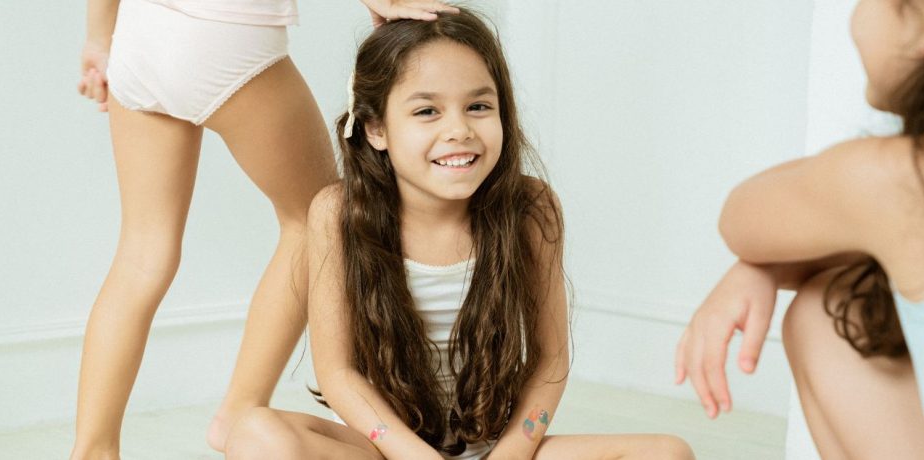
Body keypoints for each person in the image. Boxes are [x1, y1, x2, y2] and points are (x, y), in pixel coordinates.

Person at [221, 9, 695, 459]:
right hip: (389, 450)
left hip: (495, 446)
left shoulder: (531, 208)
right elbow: (339, 373)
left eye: (478, 106)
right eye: (427, 111)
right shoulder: (338, 212)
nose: (459, 130)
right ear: (376, 128)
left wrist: (511, 451)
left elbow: (550, 361)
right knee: (257, 435)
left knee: (668, 452)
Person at [73, 0, 455, 457]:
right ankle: (238, 414)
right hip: (224, 31)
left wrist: (99, 37)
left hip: (140, 32)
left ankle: (92, 450)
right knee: (316, 219)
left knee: (142, 254)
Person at [676, 0, 924, 457]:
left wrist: (758, 264)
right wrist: (767, 269)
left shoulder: (905, 176)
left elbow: (741, 219)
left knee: (824, 310)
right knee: (829, 303)